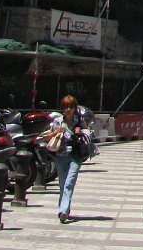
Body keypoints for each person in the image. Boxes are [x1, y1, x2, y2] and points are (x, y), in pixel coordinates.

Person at [46, 95, 92, 224]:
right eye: (65, 107)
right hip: (60, 156)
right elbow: (48, 137)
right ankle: (64, 208)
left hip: (75, 156)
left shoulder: (79, 121)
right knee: (62, 184)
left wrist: (80, 132)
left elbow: (88, 134)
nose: (68, 109)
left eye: (71, 107)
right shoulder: (58, 121)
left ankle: (63, 211)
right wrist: (57, 131)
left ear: (74, 108)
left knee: (69, 183)